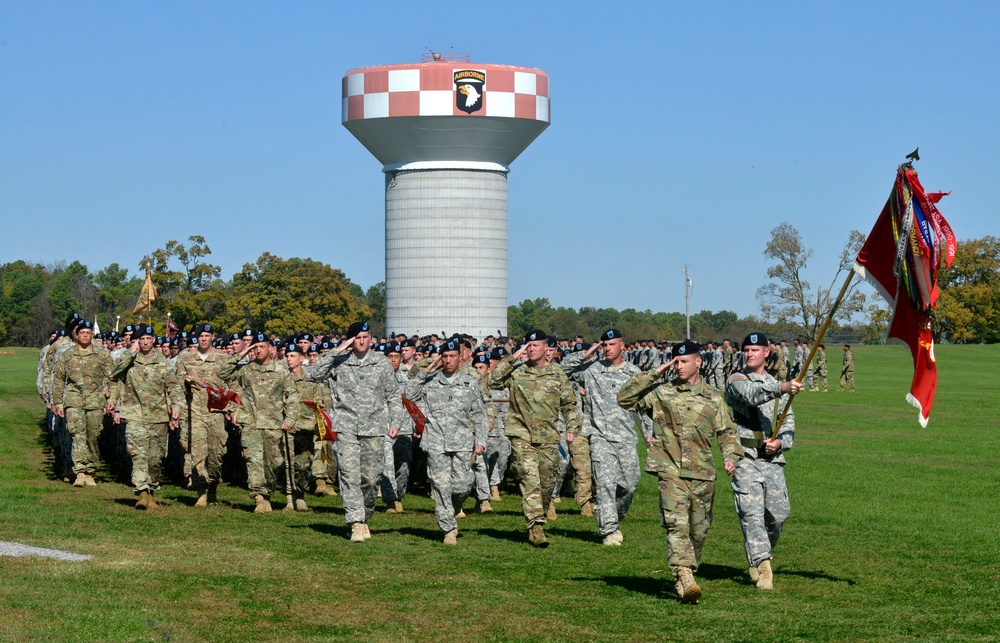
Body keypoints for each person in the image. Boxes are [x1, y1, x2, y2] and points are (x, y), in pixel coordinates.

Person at [618, 339, 742, 603]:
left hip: (702, 474)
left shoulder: (713, 398)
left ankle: (686, 573)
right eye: (675, 361)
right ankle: (685, 576)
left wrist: (731, 457)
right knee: (677, 525)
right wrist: (656, 372)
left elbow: (728, 432)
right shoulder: (662, 393)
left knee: (699, 530)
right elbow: (624, 398)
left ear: (699, 361)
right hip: (670, 470)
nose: (679, 366)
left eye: (684, 361)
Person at [304, 321, 402, 543]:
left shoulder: (381, 363)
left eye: (365, 337)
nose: (362, 341)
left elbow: (394, 395)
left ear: (371, 339)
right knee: (349, 475)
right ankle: (356, 522)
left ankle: (365, 516)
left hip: (374, 427)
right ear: (350, 340)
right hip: (346, 426)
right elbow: (312, 374)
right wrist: (337, 350)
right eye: (357, 337)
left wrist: (395, 421)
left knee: (370, 478)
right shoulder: (339, 362)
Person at [488, 330, 582, 547]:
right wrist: (512, 357)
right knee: (530, 479)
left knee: (547, 484)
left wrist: (572, 428)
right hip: (521, 435)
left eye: (535, 346)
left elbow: (570, 405)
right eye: (528, 345)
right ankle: (536, 527)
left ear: (546, 348)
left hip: (548, 437)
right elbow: (493, 381)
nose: (531, 349)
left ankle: (540, 515)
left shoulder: (557, 375)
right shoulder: (517, 372)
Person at [725, 332, 801, 590]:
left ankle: (759, 552)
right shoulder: (736, 379)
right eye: (746, 350)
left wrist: (779, 443)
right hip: (745, 459)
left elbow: (788, 423)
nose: (749, 354)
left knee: (777, 516)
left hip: (772, 461)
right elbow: (752, 395)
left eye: (755, 350)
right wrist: (782, 387)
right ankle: (763, 565)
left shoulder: (779, 387)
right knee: (751, 514)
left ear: (766, 353)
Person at [561, 329, 649, 545]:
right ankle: (609, 530)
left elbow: (643, 407)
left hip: (626, 438)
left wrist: (649, 434)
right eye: (604, 345)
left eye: (611, 344)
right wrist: (587, 352)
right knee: (605, 484)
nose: (607, 348)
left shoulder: (633, 373)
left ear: (622, 346)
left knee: (629, 484)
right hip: (600, 438)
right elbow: (562, 369)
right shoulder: (591, 370)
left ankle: (616, 515)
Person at [404, 339, 487, 544]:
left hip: (462, 442)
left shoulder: (470, 383)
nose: (448, 360)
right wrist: (426, 371)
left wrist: (481, 441)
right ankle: (448, 528)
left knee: (463, 485)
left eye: (452, 356)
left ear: (460, 358)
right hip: (436, 442)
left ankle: (456, 507)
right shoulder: (430, 382)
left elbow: (480, 415)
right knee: (441, 486)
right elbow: (408, 394)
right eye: (445, 357)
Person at [218, 332, 300, 513]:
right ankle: (259, 498)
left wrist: (291, 418)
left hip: (273, 425)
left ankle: (267, 493)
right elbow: (222, 372)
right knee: (253, 461)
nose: (259, 350)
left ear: (270, 348)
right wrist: (242, 353)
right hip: (251, 424)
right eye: (256, 347)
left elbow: (293, 395)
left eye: (262, 346)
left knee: (272, 464)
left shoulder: (281, 371)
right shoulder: (246, 370)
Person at [109, 324, 183, 509]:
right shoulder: (129, 360)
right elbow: (114, 373)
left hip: (158, 416)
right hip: (135, 414)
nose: (145, 342)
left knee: (155, 458)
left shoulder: (162, 362)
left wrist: (176, 406)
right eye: (141, 339)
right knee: (138, 455)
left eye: (148, 339)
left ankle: (151, 491)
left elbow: (173, 386)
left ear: (153, 341)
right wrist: (130, 351)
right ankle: (141, 492)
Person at [51, 320, 114, 487]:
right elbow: (58, 380)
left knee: (93, 436)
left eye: (88, 332)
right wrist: (57, 402)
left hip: (95, 401)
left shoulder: (102, 355)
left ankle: (90, 470)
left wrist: (112, 399)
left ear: (92, 335)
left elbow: (112, 378)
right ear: (76, 335)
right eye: (82, 332)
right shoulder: (67, 355)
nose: (85, 335)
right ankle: (79, 471)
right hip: (74, 400)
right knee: (77, 435)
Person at [175, 323, 231, 506]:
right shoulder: (186, 359)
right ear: (196, 338)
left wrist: (233, 408)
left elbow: (234, 384)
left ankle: (213, 486)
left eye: (207, 335)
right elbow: (177, 386)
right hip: (194, 413)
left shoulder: (223, 358)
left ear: (213, 337)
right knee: (198, 453)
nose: (204, 339)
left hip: (216, 413)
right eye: (200, 336)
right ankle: (201, 491)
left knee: (216, 454)